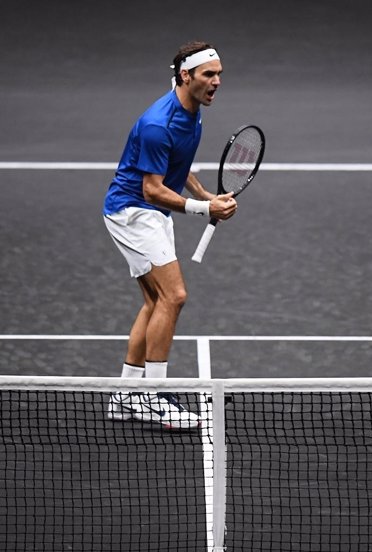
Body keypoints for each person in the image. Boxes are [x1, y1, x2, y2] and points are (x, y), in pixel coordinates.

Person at [102, 41, 237, 429]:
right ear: (186, 76)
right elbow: (152, 189)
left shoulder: (192, 112)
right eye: (209, 75)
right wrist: (203, 209)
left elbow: (180, 166)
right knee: (174, 296)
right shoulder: (158, 123)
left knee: (155, 302)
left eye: (219, 74)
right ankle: (154, 396)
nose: (217, 82)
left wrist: (206, 195)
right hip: (133, 212)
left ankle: (126, 396)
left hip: (152, 213)